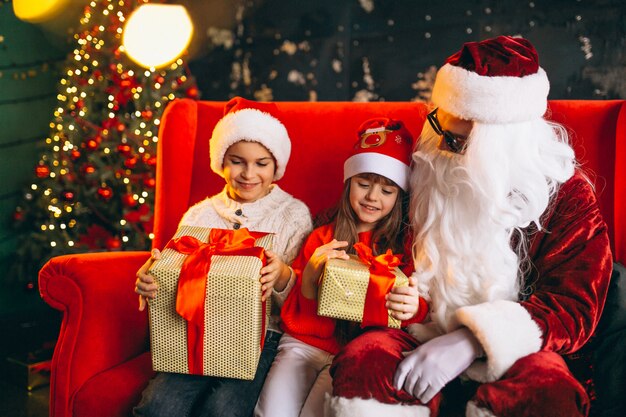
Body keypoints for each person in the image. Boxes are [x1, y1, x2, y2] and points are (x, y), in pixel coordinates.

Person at [327, 36, 613, 417]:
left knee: (547, 390)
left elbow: (573, 307)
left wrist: (471, 340)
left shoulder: (564, 194)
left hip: (516, 350)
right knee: (365, 362)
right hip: (415, 329)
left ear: (503, 143)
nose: (442, 148)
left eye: (459, 142)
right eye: (439, 127)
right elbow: (366, 235)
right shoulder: (428, 162)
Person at [133, 96, 313, 417]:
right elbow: (173, 274)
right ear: (221, 161)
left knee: (224, 409)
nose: (248, 173)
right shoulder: (200, 215)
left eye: (261, 163)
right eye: (237, 161)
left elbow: (304, 302)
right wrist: (153, 279)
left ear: (276, 167)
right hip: (195, 333)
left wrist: (283, 275)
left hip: (262, 338)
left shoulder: (293, 215)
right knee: (158, 406)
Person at [254, 118, 428, 417]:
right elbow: (304, 321)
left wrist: (414, 307)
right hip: (304, 344)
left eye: (387, 191)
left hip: (350, 354)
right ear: (349, 183)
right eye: (363, 184)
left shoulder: (404, 247)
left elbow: (414, 311)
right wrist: (309, 275)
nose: (373, 197)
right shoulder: (324, 236)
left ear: (400, 196)